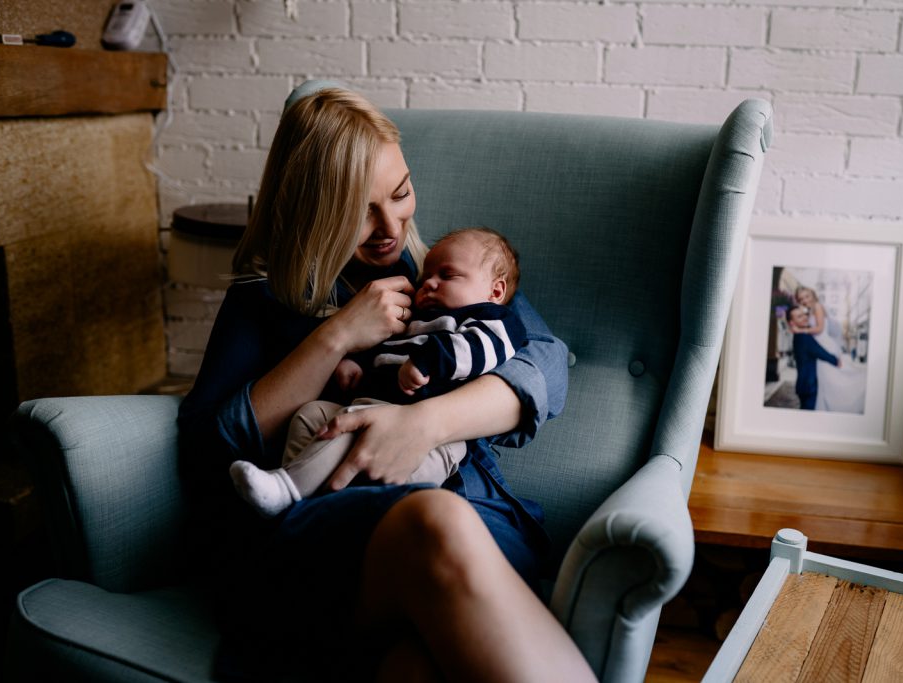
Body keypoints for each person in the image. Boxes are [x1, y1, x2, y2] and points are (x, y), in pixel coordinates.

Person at [176, 81, 597, 682]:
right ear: (314, 211)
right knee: (433, 522)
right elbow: (208, 448)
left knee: (415, 666)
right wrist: (336, 337)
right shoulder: (264, 298)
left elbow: (544, 366)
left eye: (400, 194)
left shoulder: (443, 274)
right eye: (359, 210)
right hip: (332, 524)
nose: (389, 227)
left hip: (473, 511)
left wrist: (422, 424)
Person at [228, 227, 527, 519]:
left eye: (447, 276)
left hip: (432, 445)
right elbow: (381, 346)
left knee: (348, 435)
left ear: (495, 290)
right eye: (426, 277)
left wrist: (426, 362)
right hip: (372, 406)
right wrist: (352, 363)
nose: (429, 284)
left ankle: (286, 488)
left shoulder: (490, 319)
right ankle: (300, 502)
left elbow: (478, 349)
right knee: (310, 415)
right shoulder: (415, 317)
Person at [792, 285, 866, 413]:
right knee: (824, 380)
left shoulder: (817, 306)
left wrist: (801, 330)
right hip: (818, 344)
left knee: (830, 378)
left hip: (824, 344)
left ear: (813, 295)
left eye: (807, 296)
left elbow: (819, 328)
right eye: (801, 299)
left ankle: (836, 405)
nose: (804, 300)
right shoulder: (809, 310)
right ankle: (824, 407)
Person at [787, 304, 840, 410]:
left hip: (804, 384)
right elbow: (819, 351)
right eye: (799, 316)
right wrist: (835, 360)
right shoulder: (804, 337)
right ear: (792, 323)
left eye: (804, 314)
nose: (804, 317)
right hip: (809, 385)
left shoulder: (799, 335)